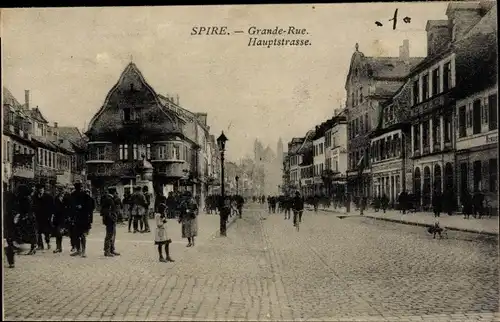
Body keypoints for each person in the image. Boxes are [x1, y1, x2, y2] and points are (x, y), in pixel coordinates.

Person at [68, 182, 94, 258]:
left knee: (81, 235)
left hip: (82, 217)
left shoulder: (85, 196)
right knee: (76, 235)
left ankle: (82, 251)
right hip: (78, 217)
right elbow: (70, 206)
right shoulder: (73, 195)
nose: (79, 189)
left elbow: (90, 207)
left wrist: (82, 207)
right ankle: (80, 250)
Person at [32, 183, 54, 250]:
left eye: (41, 189)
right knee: (38, 231)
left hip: (46, 217)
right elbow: (33, 206)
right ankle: (40, 245)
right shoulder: (34, 197)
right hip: (38, 216)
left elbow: (51, 207)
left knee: (46, 231)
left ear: (44, 190)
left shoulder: (48, 197)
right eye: (39, 189)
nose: (40, 190)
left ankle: (48, 243)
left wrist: (51, 216)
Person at [100, 187, 120, 257]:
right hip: (110, 220)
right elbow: (107, 211)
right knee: (109, 235)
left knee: (112, 235)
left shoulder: (108, 198)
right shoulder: (109, 199)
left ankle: (111, 249)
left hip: (110, 219)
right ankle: (107, 251)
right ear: (114, 192)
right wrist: (112, 218)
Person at [52, 185, 68, 253]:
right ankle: (58, 247)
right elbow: (54, 207)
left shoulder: (67, 197)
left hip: (65, 217)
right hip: (58, 218)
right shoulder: (56, 198)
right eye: (59, 190)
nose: (60, 191)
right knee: (58, 232)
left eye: (61, 190)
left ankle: (75, 246)